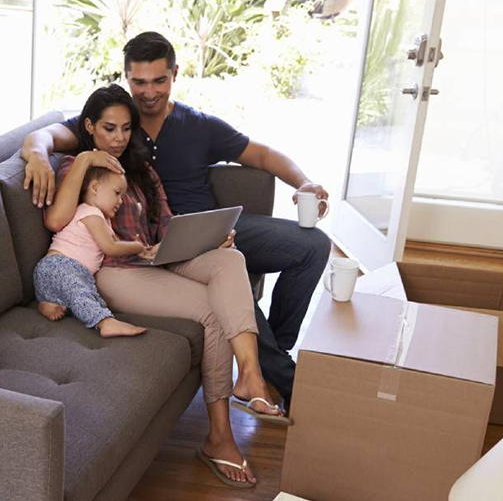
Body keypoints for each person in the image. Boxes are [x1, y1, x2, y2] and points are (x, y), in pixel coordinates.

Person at [22, 31, 332, 410]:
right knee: (224, 283)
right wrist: (37, 155)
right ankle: (285, 378)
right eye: (139, 82)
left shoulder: (196, 125)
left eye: (159, 81)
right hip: (163, 244)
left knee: (314, 245)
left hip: (210, 230)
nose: (149, 92)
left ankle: (273, 355)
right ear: (126, 79)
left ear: (174, 75)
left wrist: (304, 182)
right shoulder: (116, 123)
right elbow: (44, 135)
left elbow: (263, 155)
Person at [42, 84, 287, 487]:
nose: (118, 138)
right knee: (211, 309)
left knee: (231, 259)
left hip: (158, 255)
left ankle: (250, 375)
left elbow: (166, 224)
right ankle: (220, 437)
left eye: (125, 128)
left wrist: (205, 238)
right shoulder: (78, 166)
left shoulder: (141, 169)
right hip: (116, 270)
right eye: (108, 129)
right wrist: (87, 156)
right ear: (89, 127)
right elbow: (56, 220)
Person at [34, 165, 150, 337]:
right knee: (81, 291)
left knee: (90, 296)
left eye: (123, 196)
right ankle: (104, 322)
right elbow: (110, 247)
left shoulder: (101, 221)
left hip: (51, 275)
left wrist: (143, 252)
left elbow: (117, 244)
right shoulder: (91, 213)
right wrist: (137, 246)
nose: (121, 201)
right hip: (60, 266)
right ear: (95, 187)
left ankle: (47, 302)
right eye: (117, 193)